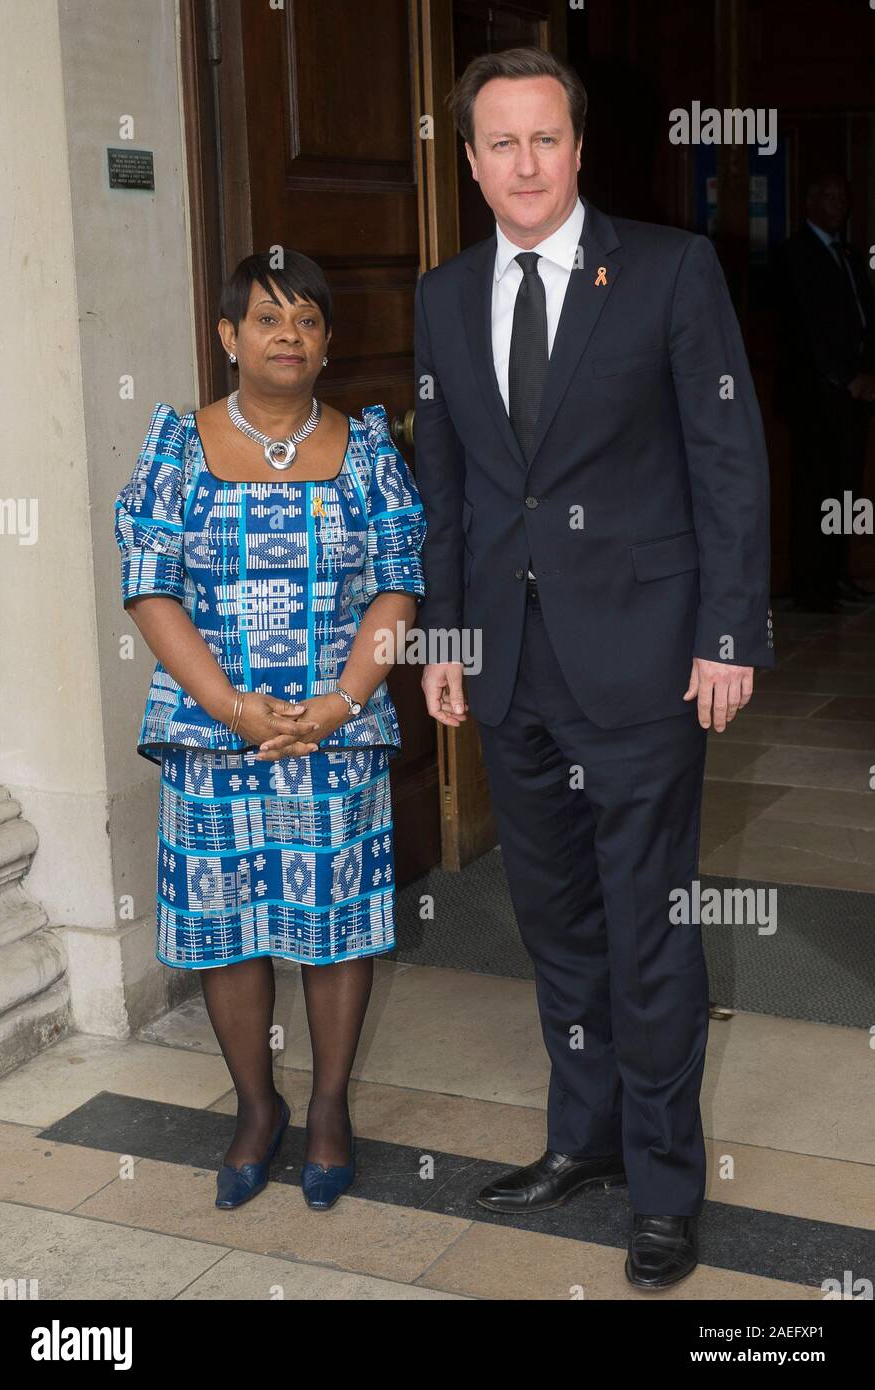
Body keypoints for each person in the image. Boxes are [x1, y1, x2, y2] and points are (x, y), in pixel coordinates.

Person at [413, 47, 773, 1289]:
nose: (524, 163)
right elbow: (446, 486)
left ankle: (666, 1185)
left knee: (652, 926)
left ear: (580, 149)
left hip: (643, 667)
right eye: (499, 143)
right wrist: (447, 640)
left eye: (544, 139)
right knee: (558, 926)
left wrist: (728, 632)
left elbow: (728, 457)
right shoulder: (444, 294)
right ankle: (586, 1142)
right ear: (469, 161)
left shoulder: (670, 271)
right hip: (509, 669)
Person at [114, 249, 426, 1212]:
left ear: (328, 343)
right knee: (227, 931)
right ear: (228, 337)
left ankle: (329, 1108)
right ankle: (258, 1109)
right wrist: (233, 709)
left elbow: (397, 584)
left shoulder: (369, 448)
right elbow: (148, 585)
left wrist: (336, 704)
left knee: (333, 931)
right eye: (265, 318)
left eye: (306, 320)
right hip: (215, 734)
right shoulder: (175, 445)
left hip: (335, 728)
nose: (287, 335)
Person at [774, 171, 875, 612]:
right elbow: (807, 329)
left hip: (855, 396)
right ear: (810, 202)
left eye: (844, 198)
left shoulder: (849, 254)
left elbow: (863, 318)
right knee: (815, 489)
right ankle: (811, 585)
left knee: (846, 490)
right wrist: (844, 376)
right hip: (816, 397)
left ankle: (837, 575)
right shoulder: (795, 255)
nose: (840, 205)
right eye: (831, 196)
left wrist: (866, 373)